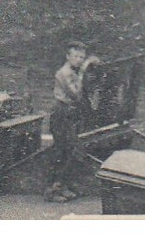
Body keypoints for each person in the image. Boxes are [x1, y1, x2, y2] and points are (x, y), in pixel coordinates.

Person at [45, 41, 100, 202]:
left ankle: (62, 186)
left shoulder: (74, 73)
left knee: (69, 151)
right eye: (76, 56)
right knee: (64, 151)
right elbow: (75, 94)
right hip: (61, 114)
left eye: (82, 57)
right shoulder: (64, 73)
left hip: (69, 115)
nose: (79, 60)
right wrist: (83, 72)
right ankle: (52, 190)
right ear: (68, 56)